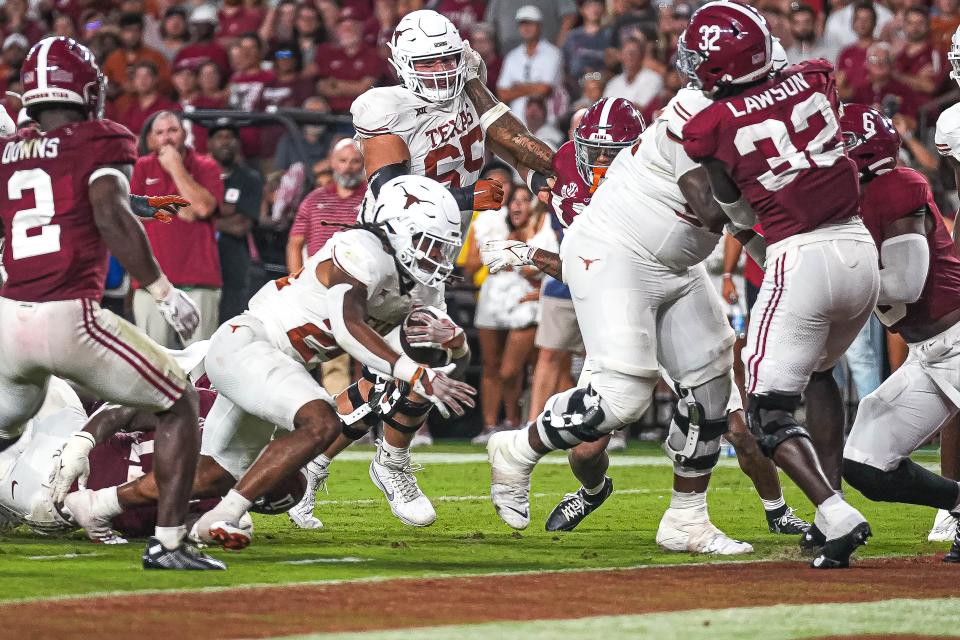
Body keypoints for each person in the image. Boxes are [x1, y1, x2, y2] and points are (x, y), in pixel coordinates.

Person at [481, 89, 805, 543]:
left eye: (610, 153)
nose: (600, 163)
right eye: (594, 151)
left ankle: (705, 517)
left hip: (678, 272)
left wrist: (781, 254)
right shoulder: (576, 172)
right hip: (620, 278)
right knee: (605, 421)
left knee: (720, 404)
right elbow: (516, 145)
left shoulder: (679, 149)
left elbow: (736, 220)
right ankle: (529, 456)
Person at [0, 37, 220, 569]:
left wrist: (146, 203)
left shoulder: (12, 153)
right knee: (178, 399)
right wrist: (163, 292)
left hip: (8, 319)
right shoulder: (99, 137)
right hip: (64, 313)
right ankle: (170, 545)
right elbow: (103, 206)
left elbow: (67, 195)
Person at [678, 1, 880, 569]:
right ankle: (828, 507)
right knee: (821, 375)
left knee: (767, 410)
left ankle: (836, 514)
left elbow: (731, 203)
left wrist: (749, 227)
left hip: (800, 255)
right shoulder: (815, 75)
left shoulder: (708, 126)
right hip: (858, 249)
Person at [189, 176, 476, 548]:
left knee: (212, 475)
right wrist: (416, 372)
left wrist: (457, 347)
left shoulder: (422, 285)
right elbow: (346, 326)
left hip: (276, 367)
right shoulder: (359, 249)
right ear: (398, 231)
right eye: (429, 245)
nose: (438, 258)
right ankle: (226, 514)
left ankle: (99, 506)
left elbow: (441, 369)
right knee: (320, 420)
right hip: (251, 343)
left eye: (443, 249)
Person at [838, 104, 960, 563]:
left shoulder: (897, 186)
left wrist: (834, 281)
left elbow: (906, 285)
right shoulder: (849, 199)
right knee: (865, 463)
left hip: (956, 338)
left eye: (839, 147)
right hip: (928, 353)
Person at [131, 111, 224, 347]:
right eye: (159, 133)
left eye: (172, 130)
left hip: (199, 281)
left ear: (184, 134)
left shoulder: (206, 165)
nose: (167, 138)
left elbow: (202, 209)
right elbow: (131, 212)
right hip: (152, 283)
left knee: (199, 365)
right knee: (153, 368)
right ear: (151, 139)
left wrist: (175, 168)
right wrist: (175, 206)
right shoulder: (142, 167)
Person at [471, 185, 554, 438]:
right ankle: (494, 424)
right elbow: (472, 265)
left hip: (529, 304)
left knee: (532, 366)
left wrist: (541, 289)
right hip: (495, 299)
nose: (517, 206)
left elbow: (548, 267)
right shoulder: (500, 230)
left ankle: (524, 421)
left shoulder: (542, 231)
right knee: (494, 365)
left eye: (523, 200)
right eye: (513, 201)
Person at [207, 120, 263, 324]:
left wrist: (204, 219)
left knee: (228, 324)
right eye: (219, 137)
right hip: (199, 263)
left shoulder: (250, 178)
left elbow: (241, 226)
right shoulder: (196, 176)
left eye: (230, 137)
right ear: (209, 144)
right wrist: (224, 216)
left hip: (233, 264)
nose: (225, 142)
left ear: (238, 144)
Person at [287, 138, 366, 273]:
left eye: (355, 161)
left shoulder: (372, 198)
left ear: (363, 164)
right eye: (343, 160)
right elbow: (295, 244)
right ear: (333, 162)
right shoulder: (313, 199)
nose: (348, 167)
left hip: (357, 276)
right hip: (315, 278)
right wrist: (295, 280)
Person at [496, 5, 564, 125]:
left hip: (547, 121)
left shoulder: (553, 53)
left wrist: (516, 87)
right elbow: (502, 93)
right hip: (516, 122)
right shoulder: (512, 56)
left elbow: (544, 89)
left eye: (530, 23)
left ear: (539, 26)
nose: (526, 28)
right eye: (523, 24)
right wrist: (533, 86)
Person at [314, 7, 384, 115]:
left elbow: (364, 87)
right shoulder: (328, 53)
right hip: (330, 114)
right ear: (337, 31)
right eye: (343, 27)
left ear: (361, 28)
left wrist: (335, 84)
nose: (347, 31)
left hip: (362, 114)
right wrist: (352, 86)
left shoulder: (373, 54)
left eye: (352, 26)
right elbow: (321, 87)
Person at [102, 13, 171, 100]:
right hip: (120, 109)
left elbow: (167, 84)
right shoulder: (112, 59)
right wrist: (120, 89)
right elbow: (103, 86)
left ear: (142, 32)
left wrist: (144, 85)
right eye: (128, 30)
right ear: (121, 33)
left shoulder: (155, 56)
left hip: (150, 108)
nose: (132, 35)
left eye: (136, 30)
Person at [485, 0, 578, 53]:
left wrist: (558, 50)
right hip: (507, 57)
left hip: (545, 54)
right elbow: (490, 24)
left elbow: (569, 16)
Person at [115, 61, 177, 138]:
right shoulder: (130, 108)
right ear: (134, 81)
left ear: (155, 79)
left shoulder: (167, 106)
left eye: (147, 76)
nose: (142, 80)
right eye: (138, 76)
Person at [602, 36, 663, 113]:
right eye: (627, 52)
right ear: (621, 55)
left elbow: (638, 109)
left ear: (642, 55)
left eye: (634, 52)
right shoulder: (613, 83)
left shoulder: (654, 79)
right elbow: (603, 108)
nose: (630, 55)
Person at [836, 2, 878, 100]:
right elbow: (838, 86)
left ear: (874, 22)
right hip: (851, 105)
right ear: (853, 22)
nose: (862, 23)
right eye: (859, 19)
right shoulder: (846, 52)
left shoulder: (881, 50)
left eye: (867, 19)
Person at [174, 4, 230, 74]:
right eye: (196, 24)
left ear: (212, 27)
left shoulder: (220, 52)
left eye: (203, 24)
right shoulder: (183, 52)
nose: (199, 28)